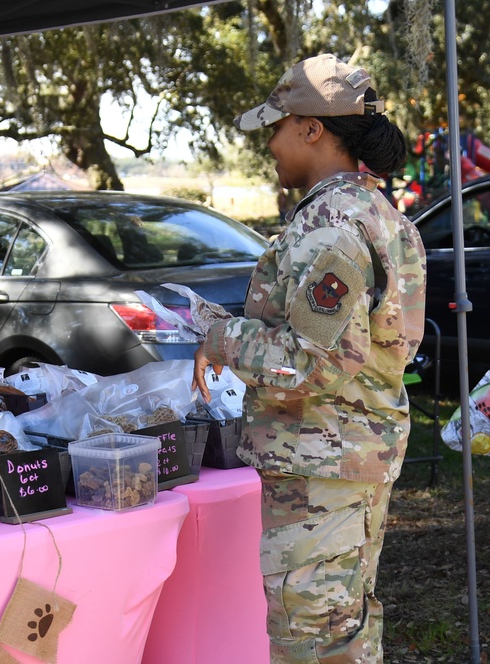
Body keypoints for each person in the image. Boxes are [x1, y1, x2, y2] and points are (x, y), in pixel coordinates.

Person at [193, 54, 426, 663]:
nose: (268, 143)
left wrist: (219, 336)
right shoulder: (378, 212)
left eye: (275, 125)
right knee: (345, 636)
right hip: (349, 460)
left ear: (312, 128)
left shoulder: (329, 225)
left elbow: (313, 363)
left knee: (312, 644)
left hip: (322, 469)